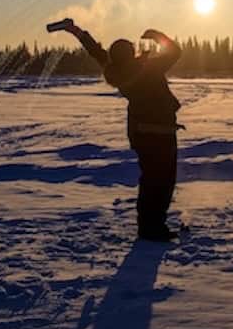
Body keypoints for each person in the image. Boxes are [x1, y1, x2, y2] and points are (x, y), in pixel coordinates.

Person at [56, 20, 183, 242]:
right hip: (160, 134)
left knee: (151, 181)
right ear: (129, 54)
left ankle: (150, 225)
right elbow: (175, 51)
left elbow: (95, 50)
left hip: (141, 133)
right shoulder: (149, 69)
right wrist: (157, 35)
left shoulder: (115, 70)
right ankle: (152, 228)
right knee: (161, 183)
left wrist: (75, 31)